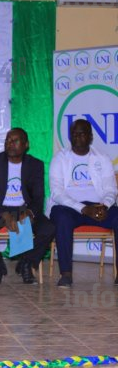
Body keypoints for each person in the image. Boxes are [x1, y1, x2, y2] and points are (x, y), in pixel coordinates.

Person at [0, 128, 55, 285]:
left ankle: (26, 263)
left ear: (26, 144)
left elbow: (38, 197)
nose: (10, 143)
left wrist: (29, 212)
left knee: (49, 229)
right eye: (7, 140)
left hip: (23, 208)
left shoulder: (35, 164)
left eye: (15, 140)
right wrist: (4, 214)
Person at [49, 119, 118, 288]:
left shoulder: (102, 158)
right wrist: (83, 208)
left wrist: (105, 205)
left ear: (90, 137)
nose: (77, 137)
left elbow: (111, 189)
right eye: (74, 134)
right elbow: (57, 193)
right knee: (61, 217)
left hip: (98, 207)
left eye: (82, 133)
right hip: (70, 208)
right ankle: (66, 273)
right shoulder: (60, 159)